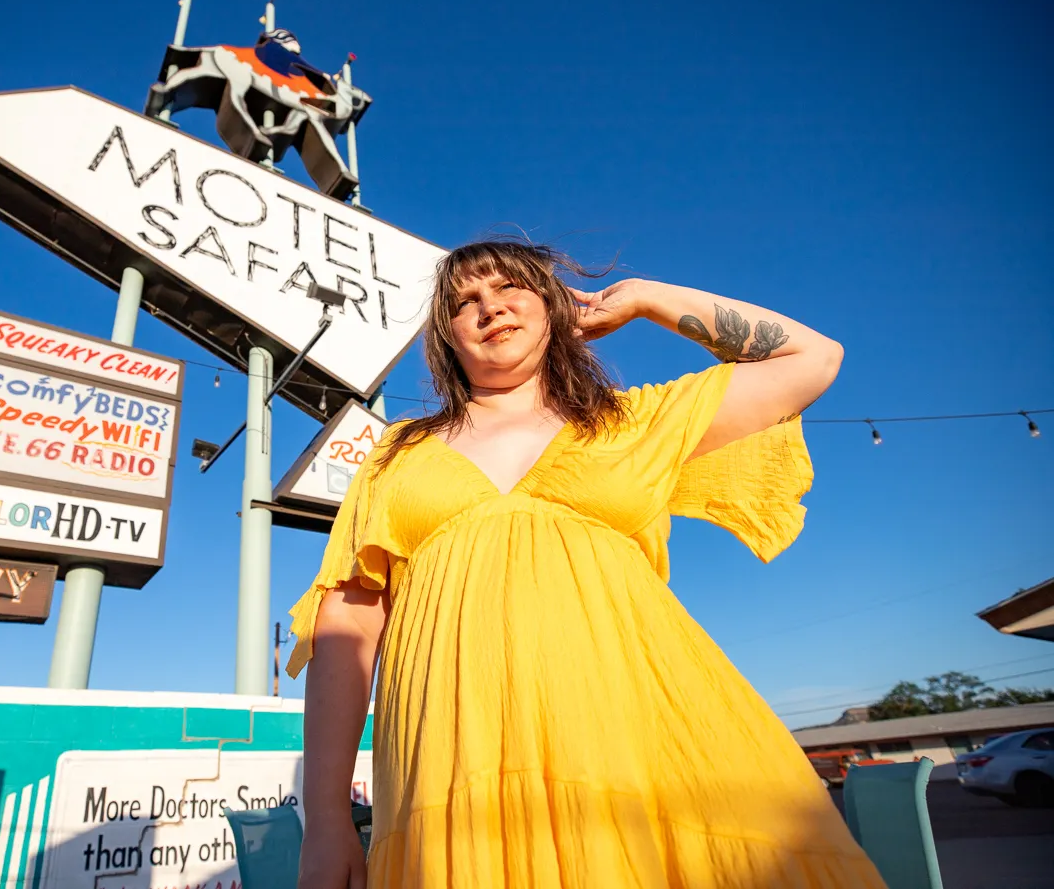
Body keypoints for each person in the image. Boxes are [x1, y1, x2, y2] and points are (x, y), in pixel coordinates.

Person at [286, 240, 885, 888]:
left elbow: (813, 358)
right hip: (453, 764)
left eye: (511, 286)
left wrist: (645, 298)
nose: (490, 307)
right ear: (447, 338)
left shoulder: (633, 421)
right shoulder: (396, 455)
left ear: (552, 305)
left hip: (642, 749)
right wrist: (326, 817)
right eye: (465, 301)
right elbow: (347, 622)